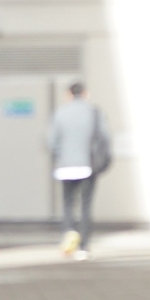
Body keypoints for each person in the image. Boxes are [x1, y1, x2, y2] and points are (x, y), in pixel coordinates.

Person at [47, 81, 112, 258]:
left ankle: (68, 238)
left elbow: (52, 141)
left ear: (68, 95)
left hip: (65, 166)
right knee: (85, 206)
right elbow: (104, 139)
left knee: (68, 204)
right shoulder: (94, 112)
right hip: (88, 166)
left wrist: (61, 156)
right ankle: (83, 247)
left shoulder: (59, 113)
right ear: (86, 94)